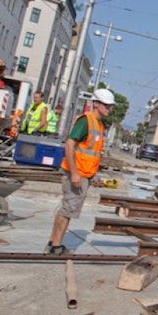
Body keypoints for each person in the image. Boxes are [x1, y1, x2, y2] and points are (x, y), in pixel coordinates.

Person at [45, 88, 114, 255]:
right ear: (96, 104)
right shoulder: (86, 121)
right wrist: (75, 173)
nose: (108, 108)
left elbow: (91, 153)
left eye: (110, 106)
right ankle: (55, 247)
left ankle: (53, 243)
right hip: (76, 174)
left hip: (84, 174)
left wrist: (92, 175)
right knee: (68, 210)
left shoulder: (99, 125)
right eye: (105, 105)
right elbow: (69, 144)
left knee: (66, 209)